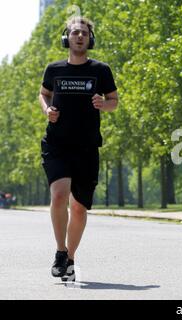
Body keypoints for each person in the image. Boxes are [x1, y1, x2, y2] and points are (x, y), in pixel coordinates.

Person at [38, 17, 118, 281]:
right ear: (67, 38)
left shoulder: (101, 70)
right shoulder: (54, 69)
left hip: (86, 146)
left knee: (80, 208)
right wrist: (47, 110)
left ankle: (70, 258)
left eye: (84, 33)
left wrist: (102, 104)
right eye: (75, 33)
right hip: (57, 143)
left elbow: (114, 101)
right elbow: (44, 94)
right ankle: (60, 252)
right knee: (59, 196)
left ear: (90, 39)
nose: (80, 36)